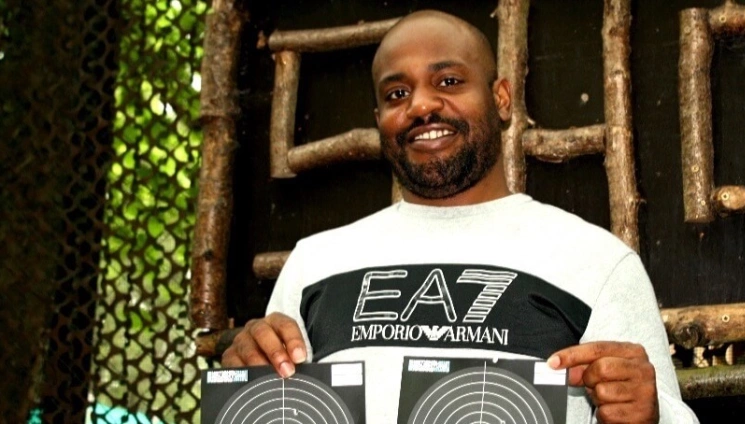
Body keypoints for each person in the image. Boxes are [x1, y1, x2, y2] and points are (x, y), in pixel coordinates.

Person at [222, 10, 699, 424]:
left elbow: (651, 412)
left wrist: (648, 412)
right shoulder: (314, 265)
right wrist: (246, 380)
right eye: (396, 93)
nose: (422, 106)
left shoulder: (597, 263)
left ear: (502, 99)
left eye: (448, 81)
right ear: (378, 119)